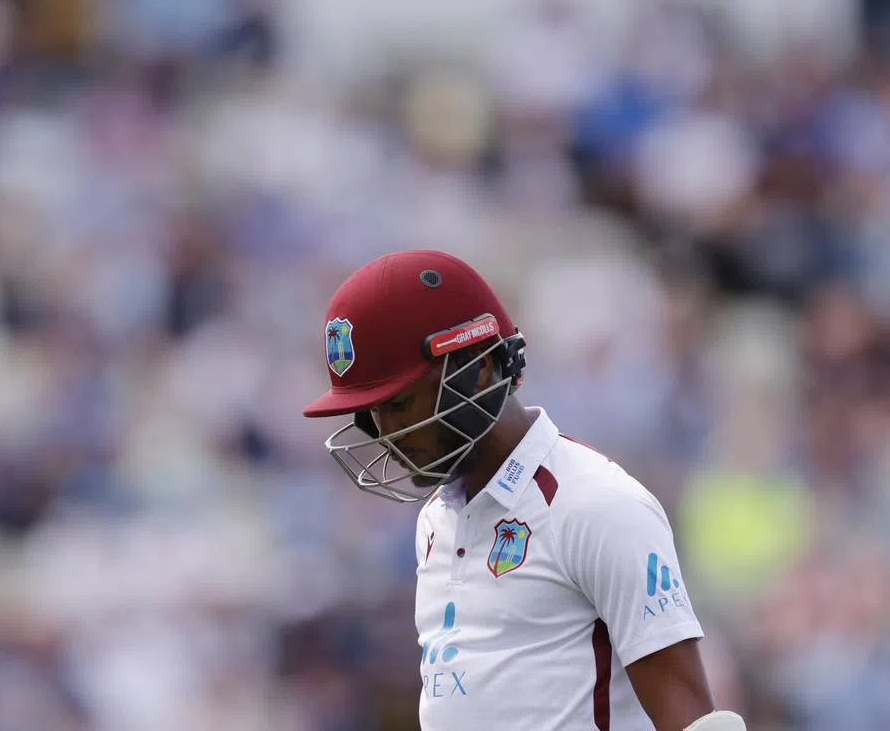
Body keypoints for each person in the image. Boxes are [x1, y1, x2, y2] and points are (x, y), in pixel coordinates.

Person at [302, 249, 746, 731]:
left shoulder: (595, 504)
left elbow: (691, 719)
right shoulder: (435, 519)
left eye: (401, 402)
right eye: (370, 415)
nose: (387, 432)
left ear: (479, 366)